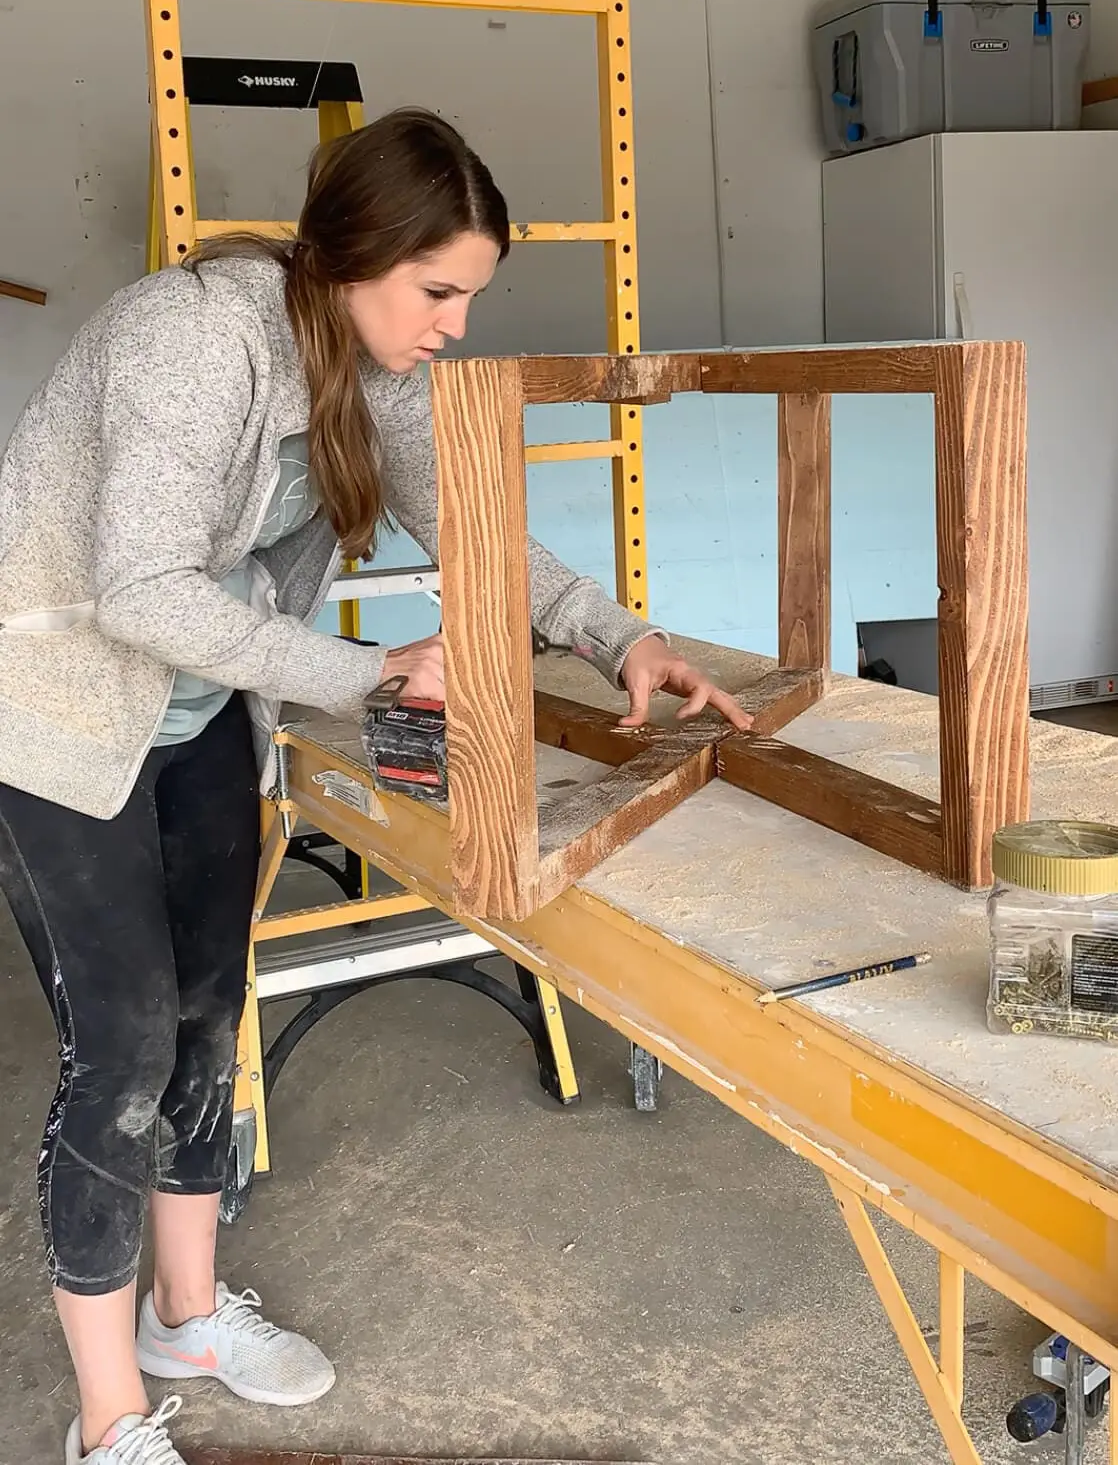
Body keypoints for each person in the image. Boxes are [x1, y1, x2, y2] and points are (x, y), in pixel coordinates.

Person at [0, 107, 751, 1464]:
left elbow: (475, 531)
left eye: (469, 294)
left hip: (206, 708)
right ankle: (107, 1417)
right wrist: (364, 674)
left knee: (203, 1015)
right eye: (439, 290)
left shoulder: (376, 365)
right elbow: (141, 586)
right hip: (61, 717)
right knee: (117, 1051)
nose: (455, 324)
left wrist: (621, 634)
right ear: (350, 258)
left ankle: (186, 1311)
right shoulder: (195, 338)